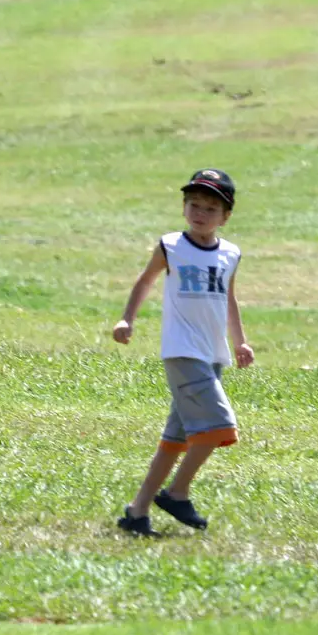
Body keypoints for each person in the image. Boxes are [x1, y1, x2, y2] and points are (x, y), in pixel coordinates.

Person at [112, 169, 254, 535]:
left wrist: (240, 341)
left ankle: (137, 511)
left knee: (176, 439)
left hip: (212, 354)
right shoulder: (171, 246)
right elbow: (144, 282)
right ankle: (177, 492)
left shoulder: (231, 254)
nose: (200, 213)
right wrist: (127, 319)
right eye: (194, 204)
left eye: (210, 207)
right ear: (183, 207)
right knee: (220, 426)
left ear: (226, 216)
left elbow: (229, 299)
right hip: (182, 351)